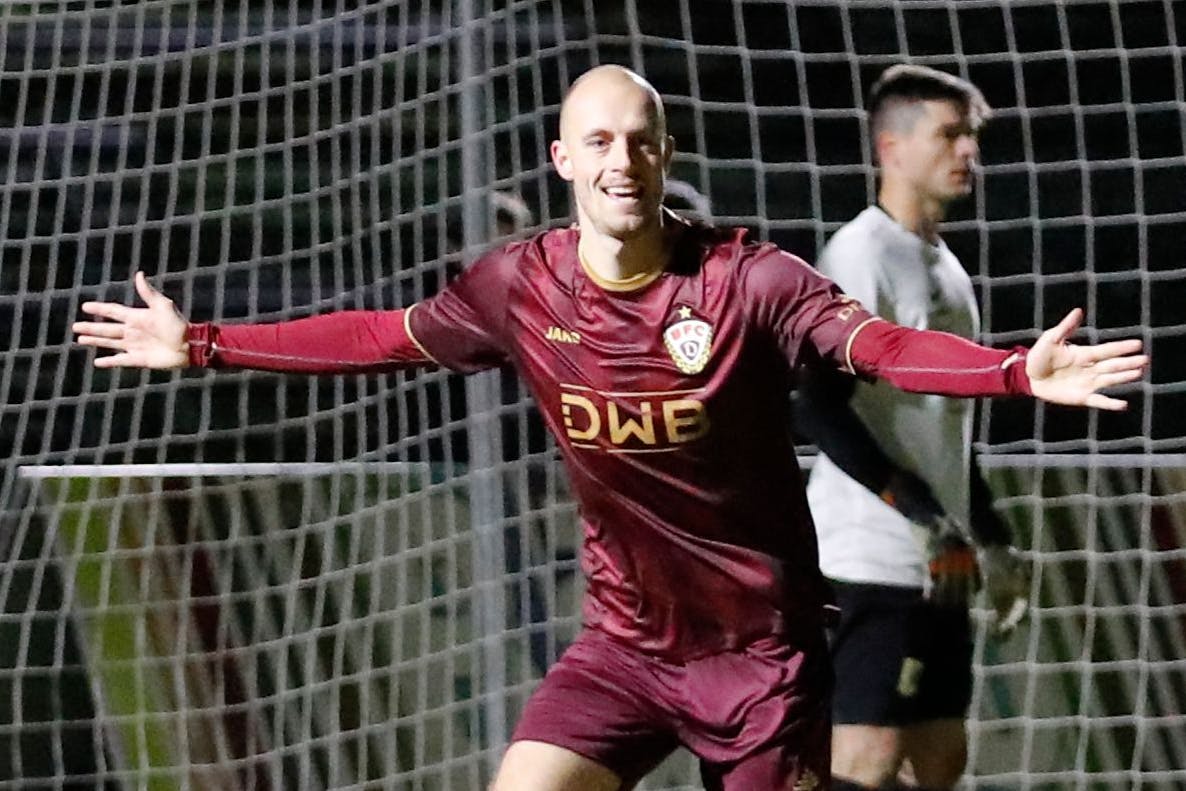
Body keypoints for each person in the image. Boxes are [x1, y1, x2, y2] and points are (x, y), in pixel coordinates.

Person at [73, 65, 1146, 791]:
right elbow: (383, 336)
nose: (620, 160)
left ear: (664, 150)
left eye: (639, 140)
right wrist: (205, 342)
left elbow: (870, 350)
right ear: (562, 160)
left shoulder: (746, 278)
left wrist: (1010, 371)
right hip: (622, 647)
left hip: (758, 658)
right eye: (598, 141)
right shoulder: (518, 285)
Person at [794, 64, 1032, 791]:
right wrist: (922, 513)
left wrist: (991, 536)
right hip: (867, 560)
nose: (968, 153)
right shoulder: (859, 254)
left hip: (941, 562)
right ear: (891, 147)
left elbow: (946, 433)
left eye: (972, 137)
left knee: (938, 761)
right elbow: (816, 403)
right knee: (861, 762)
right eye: (950, 135)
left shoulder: (949, 271)